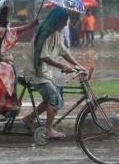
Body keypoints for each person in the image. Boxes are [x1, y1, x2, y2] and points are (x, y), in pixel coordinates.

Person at [21, 7, 86, 139]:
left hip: (44, 73)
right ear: (57, 21)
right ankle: (49, 130)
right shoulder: (45, 33)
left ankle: (28, 118)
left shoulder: (56, 32)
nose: (64, 24)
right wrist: (61, 65)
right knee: (54, 98)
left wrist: (79, 66)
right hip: (35, 73)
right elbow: (43, 56)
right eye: (63, 21)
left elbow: (63, 51)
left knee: (53, 97)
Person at [0, 7, 39, 112]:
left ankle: (6, 99)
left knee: (9, 67)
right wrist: (1, 58)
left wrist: (31, 25)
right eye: (1, 20)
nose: (4, 24)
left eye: (5, 21)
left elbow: (16, 30)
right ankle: (5, 99)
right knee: (8, 68)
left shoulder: (2, 32)